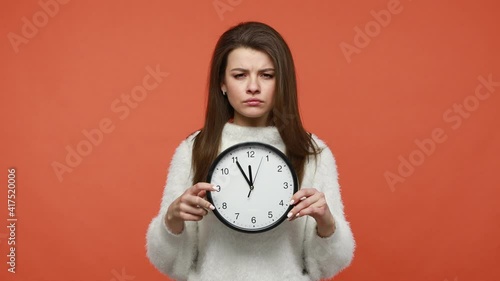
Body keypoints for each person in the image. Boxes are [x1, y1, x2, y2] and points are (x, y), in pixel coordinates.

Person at [146, 21, 355, 281]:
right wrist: (172, 219)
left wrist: (327, 223)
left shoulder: (313, 153)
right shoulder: (194, 149)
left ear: (282, 82)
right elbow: (168, 262)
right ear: (222, 83)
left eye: (266, 75)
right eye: (239, 75)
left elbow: (327, 266)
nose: (253, 87)